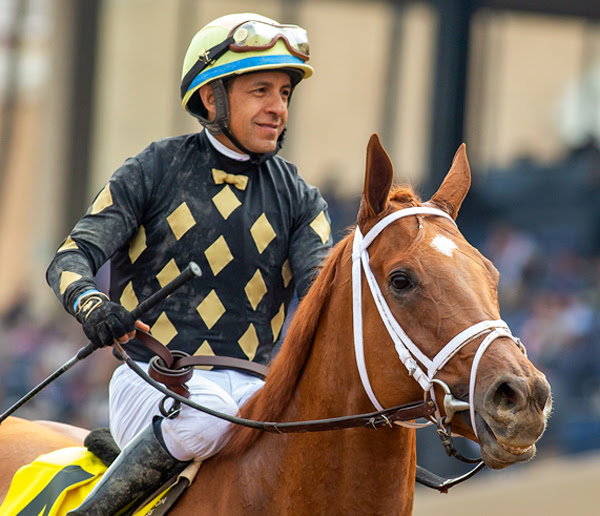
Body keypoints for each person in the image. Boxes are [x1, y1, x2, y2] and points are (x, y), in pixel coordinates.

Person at [46, 12, 332, 515]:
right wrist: (94, 306)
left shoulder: (301, 199)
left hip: (253, 392)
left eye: (284, 93)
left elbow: (322, 297)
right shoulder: (152, 168)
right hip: (154, 377)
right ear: (211, 97)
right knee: (211, 417)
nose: (277, 108)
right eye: (261, 90)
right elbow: (70, 258)